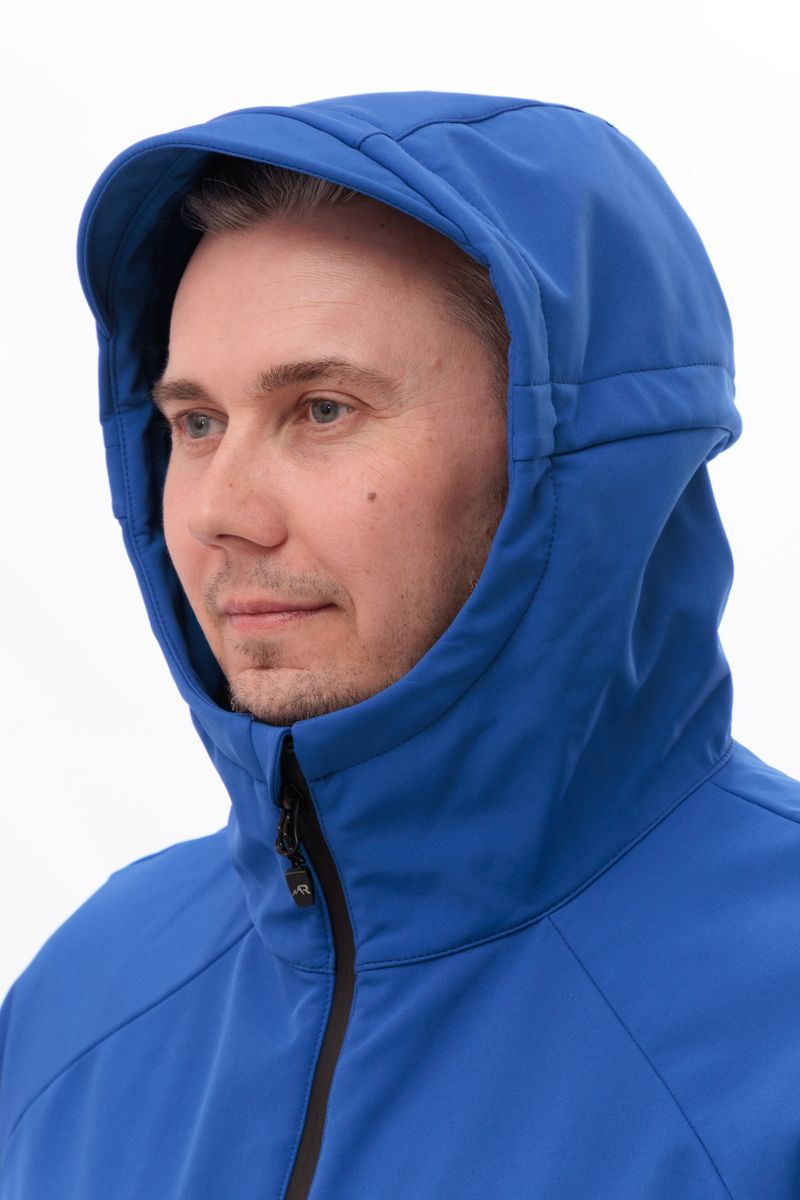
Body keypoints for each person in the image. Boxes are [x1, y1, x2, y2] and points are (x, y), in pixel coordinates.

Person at [1, 90, 798, 1198]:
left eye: (322, 410)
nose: (220, 511)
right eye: (196, 423)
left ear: (566, 457)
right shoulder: (85, 996)